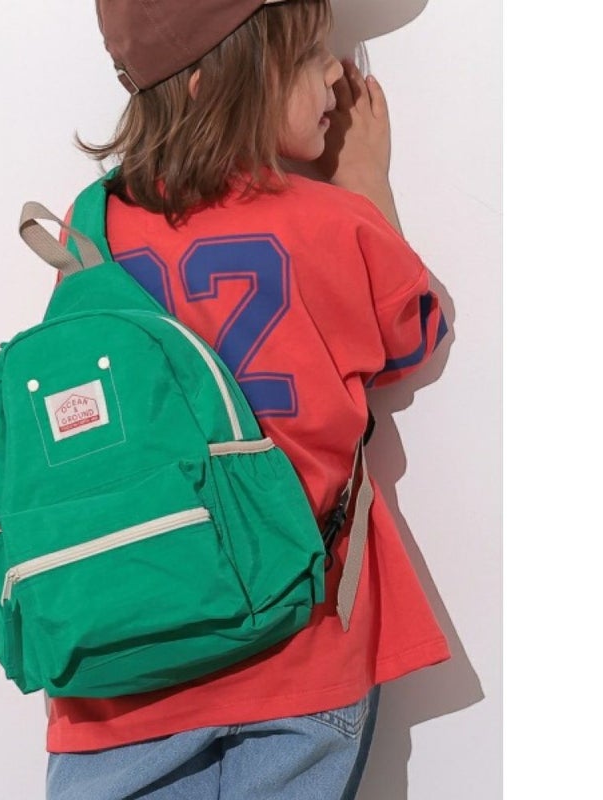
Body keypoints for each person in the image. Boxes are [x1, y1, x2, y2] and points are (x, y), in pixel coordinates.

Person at [46, 1, 451, 798]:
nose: (338, 70)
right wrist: (366, 186)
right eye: (309, 55)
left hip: (123, 660)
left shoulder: (88, 230)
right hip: (303, 653)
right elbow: (413, 337)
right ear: (212, 84)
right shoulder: (334, 223)